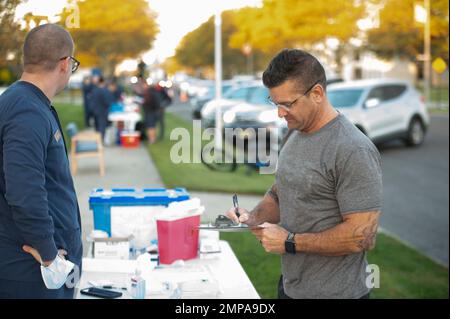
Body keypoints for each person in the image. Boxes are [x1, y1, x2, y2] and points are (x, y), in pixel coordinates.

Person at [226, 49, 382, 299]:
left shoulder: (353, 149)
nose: (280, 113)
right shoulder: (295, 130)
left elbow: (362, 236)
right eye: (275, 103)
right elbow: (281, 190)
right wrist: (253, 217)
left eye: (287, 104)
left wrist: (290, 242)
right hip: (290, 288)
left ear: (317, 93)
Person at [0, 24, 83, 298]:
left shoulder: (25, 102)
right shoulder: (26, 110)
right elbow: (24, 190)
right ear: (64, 64)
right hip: (32, 272)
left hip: (39, 266)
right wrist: (48, 252)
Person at [89, 76, 113, 142]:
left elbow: (91, 101)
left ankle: (97, 139)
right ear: (103, 82)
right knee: (102, 127)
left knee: (97, 126)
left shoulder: (94, 90)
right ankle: (100, 141)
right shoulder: (105, 90)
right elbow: (107, 102)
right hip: (103, 111)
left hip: (95, 111)